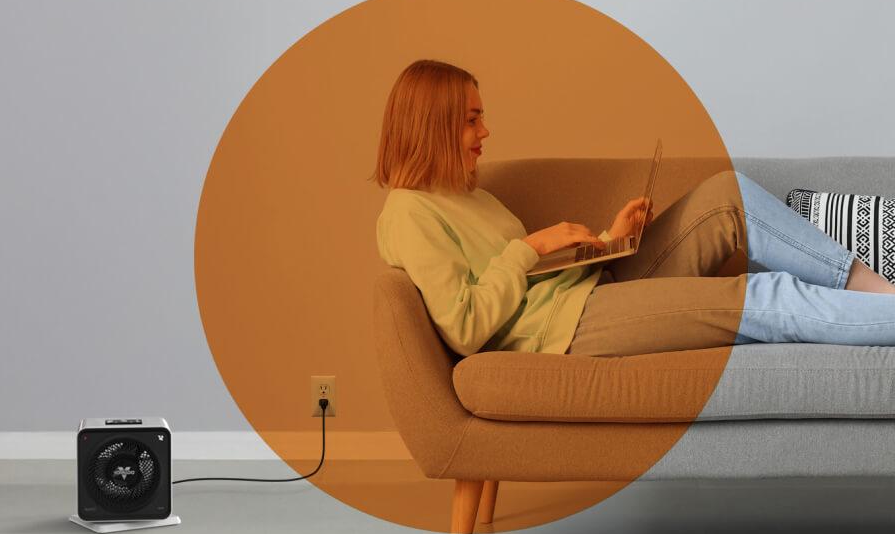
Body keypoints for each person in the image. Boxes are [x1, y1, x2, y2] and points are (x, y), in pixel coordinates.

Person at [372, 59, 895, 358]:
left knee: (727, 196)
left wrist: (605, 242)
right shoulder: (409, 215)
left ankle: (879, 290)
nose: (484, 132)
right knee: (762, 295)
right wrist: (528, 247)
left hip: (587, 293)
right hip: (562, 331)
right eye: (471, 120)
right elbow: (465, 328)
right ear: (431, 125)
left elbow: (530, 275)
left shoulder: (469, 195)